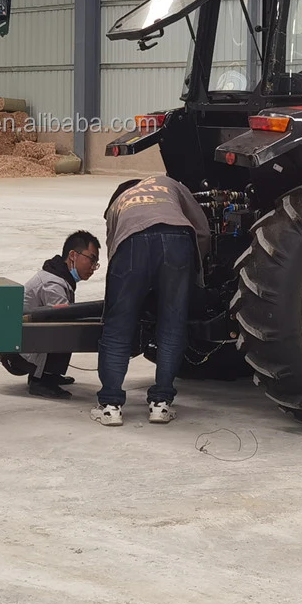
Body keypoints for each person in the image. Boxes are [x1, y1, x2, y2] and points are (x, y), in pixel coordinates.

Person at [95, 176, 210, 427]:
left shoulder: (117, 204)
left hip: (130, 242)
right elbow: (202, 230)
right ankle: (161, 404)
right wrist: (191, 269)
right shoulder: (168, 183)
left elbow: (113, 248)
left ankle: (111, 407)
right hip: (177, 238)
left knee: (118, 326)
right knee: (172, 325)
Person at [0, 231, 101, 399]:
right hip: (17, 353)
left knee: (67, 321)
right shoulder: (52, 283)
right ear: (73, 255)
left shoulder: (60, 278)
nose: (93, 267)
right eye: (91, 259)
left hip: (24, 346)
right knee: (66, 326)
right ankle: (41, 380)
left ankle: (49, 374)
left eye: (96, 263)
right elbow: (63, 320)